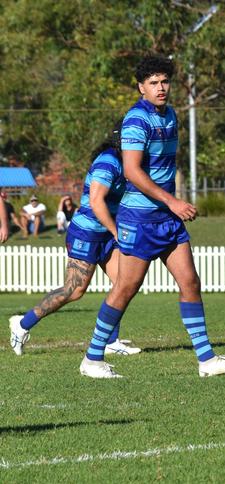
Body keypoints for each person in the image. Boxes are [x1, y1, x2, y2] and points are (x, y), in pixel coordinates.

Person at [79, 55, 225, 379]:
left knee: (190, 281)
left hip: (167, 220)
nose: (161, 88)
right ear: (141, 87)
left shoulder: (170, 115)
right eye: (154, 83)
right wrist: (172, 201)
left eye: (165, 81)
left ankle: (206, 360)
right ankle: (92, 358)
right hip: (140, 219)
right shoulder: (136, 119)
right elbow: (131, 170)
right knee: (126, 287)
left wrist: (170, 205)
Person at [9, 121, 140, 356]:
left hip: (106, 233)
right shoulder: (107, 162)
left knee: (125, 283)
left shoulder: (129, 163)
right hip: (87, 233)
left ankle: (110, 341)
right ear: (122, 143)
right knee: (74, 290)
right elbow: (97, 202)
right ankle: (21, 324)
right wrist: (116, 231)